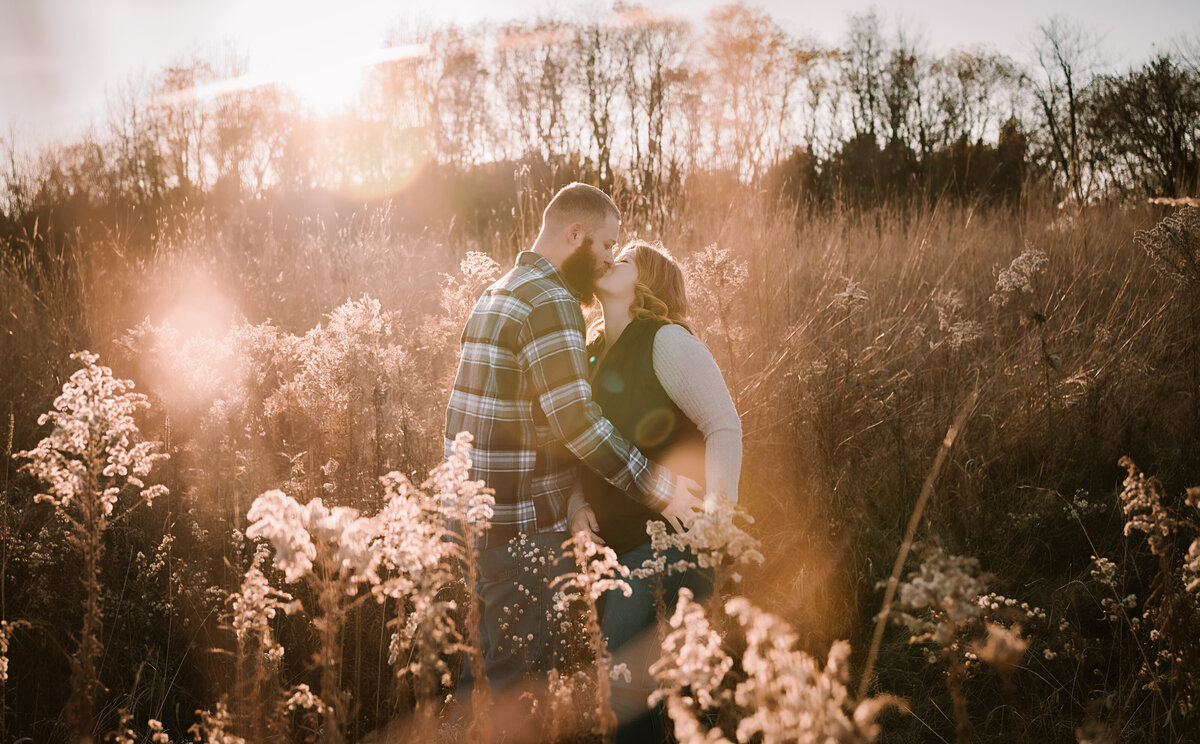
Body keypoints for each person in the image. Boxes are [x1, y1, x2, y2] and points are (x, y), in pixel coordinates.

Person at [443, 183, 705, 729]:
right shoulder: (552, 301)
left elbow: (483, 421)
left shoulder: (497, 293)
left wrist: (572, 496)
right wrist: (659, 488)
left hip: (475, 526)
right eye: (608, 244)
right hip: (522, 532)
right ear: (576, 234)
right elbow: (576, 422)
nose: (611, 257)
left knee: (484, 683)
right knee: (523, 698)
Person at [568, 240, 742, 743]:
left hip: (670, 536)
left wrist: (718, 518)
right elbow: (582, 441)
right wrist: (577, 504)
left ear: (645, 283)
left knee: (622, 687)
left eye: (623, 259)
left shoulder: (665, 341)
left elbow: (723, 426)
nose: (608, 260)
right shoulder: (592, 350)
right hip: (615, 544)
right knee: (635, 692)